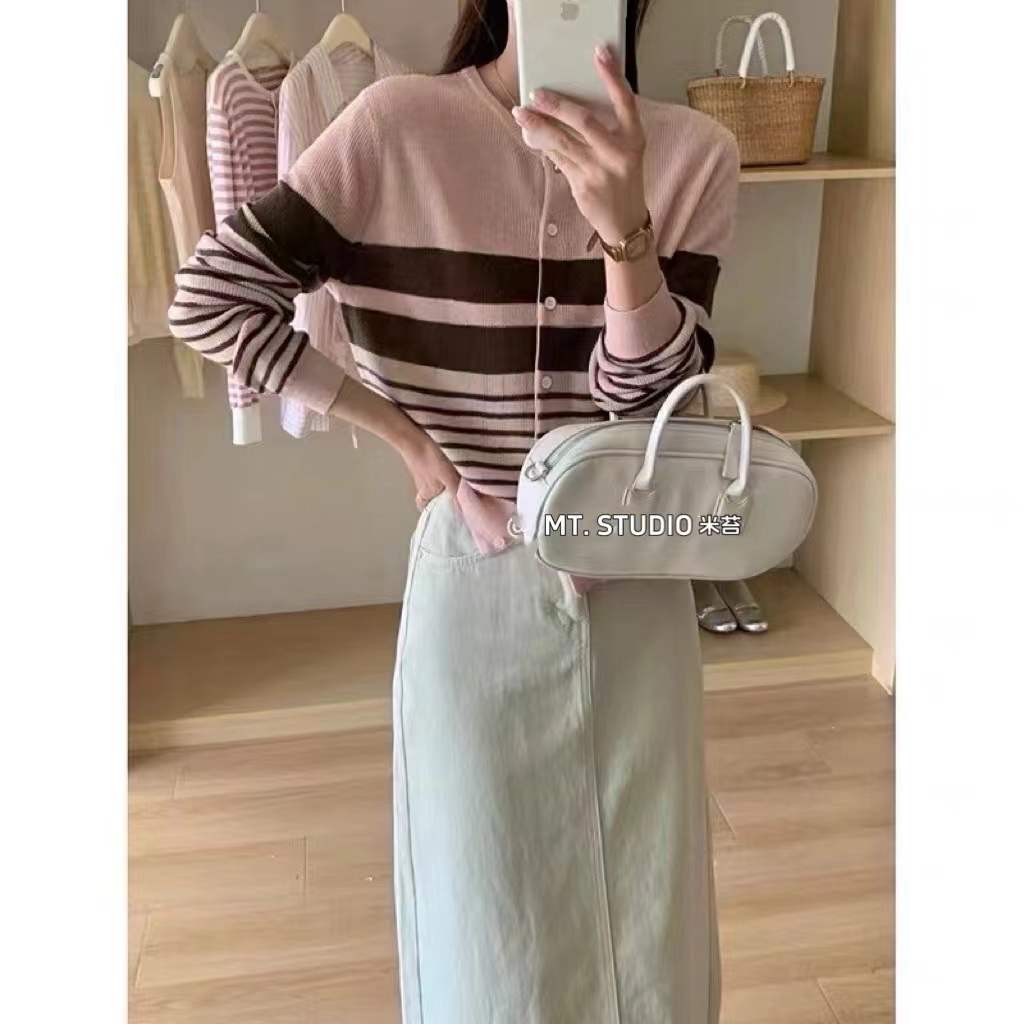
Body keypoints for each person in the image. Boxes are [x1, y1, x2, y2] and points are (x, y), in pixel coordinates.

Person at [168, 1, 739, 1019]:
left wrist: (626, 233)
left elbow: (653, 407)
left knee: (646, 916)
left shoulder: (695, 153)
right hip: (472, 589)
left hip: (636, 589)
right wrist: (410, 443)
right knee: (485, 909)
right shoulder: (396, 126)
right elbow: (210, 299)